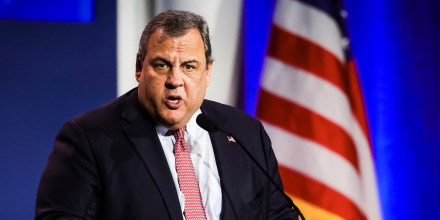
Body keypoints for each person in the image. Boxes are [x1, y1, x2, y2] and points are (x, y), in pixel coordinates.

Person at [35, 10, 299, 220]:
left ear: (207, 72)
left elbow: (276, 213)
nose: (175, 80)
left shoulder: (244, 133)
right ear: (140, 67)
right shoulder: (89, 138)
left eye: (189, 66)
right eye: (162, 65)